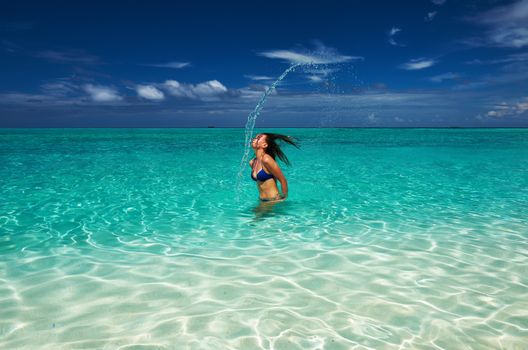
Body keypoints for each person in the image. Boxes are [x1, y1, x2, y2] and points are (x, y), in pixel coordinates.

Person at [250, 133, 299, 202]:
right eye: (255, 137)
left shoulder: (266, 159)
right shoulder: (252, 162)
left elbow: (283, 180)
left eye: (258, 138)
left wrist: (284, 198)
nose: (254, 139)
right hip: (262, 201)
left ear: (265, 145)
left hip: (273, 200)